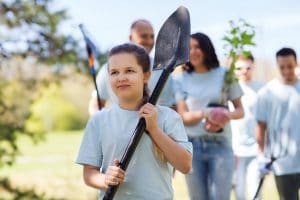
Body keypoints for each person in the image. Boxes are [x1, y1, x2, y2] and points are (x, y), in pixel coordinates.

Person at [76, 43, 192, 200]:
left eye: (129, 71)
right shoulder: (99, 120)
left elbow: (185, 165)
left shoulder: (168, 117)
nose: (121, 77)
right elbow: (89, 174)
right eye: (114, 72)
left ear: (146, 76)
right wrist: (106, 179)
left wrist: (154, 129)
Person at [174, 32, 244, 200]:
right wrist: (205, 113)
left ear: (207, 48)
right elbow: (183, 116)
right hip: (191, 147)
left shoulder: (225, 75)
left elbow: (240, 111)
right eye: (189, 48)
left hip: (220, 145)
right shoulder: (179, 80)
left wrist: (225, 114)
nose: (193, 51)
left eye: (197, 47)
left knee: (220, 197)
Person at [88, 19, 175, 115]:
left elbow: (169, 107)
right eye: (144, 36)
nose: (149, 41)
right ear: (130, 38)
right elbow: (96, 103)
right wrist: (98, 122)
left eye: (152, 37)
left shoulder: (162, 70)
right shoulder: (107, 69)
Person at [255, 47, 300, 200]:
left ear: (297, 64)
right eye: (282, 67)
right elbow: (261, 126)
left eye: (290, 66)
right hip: (282, 163)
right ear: (277, 66)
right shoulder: (267, 92)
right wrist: (261, 155)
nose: (287, 71)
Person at [231, 55, 263, 200]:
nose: (244, 71)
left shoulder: (261, 89)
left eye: (248, 67)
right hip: (235, 150)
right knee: (239, 193)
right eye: (239, 68)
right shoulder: (230, 89)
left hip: (255, 149)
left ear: (253, 67)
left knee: (255, 191)